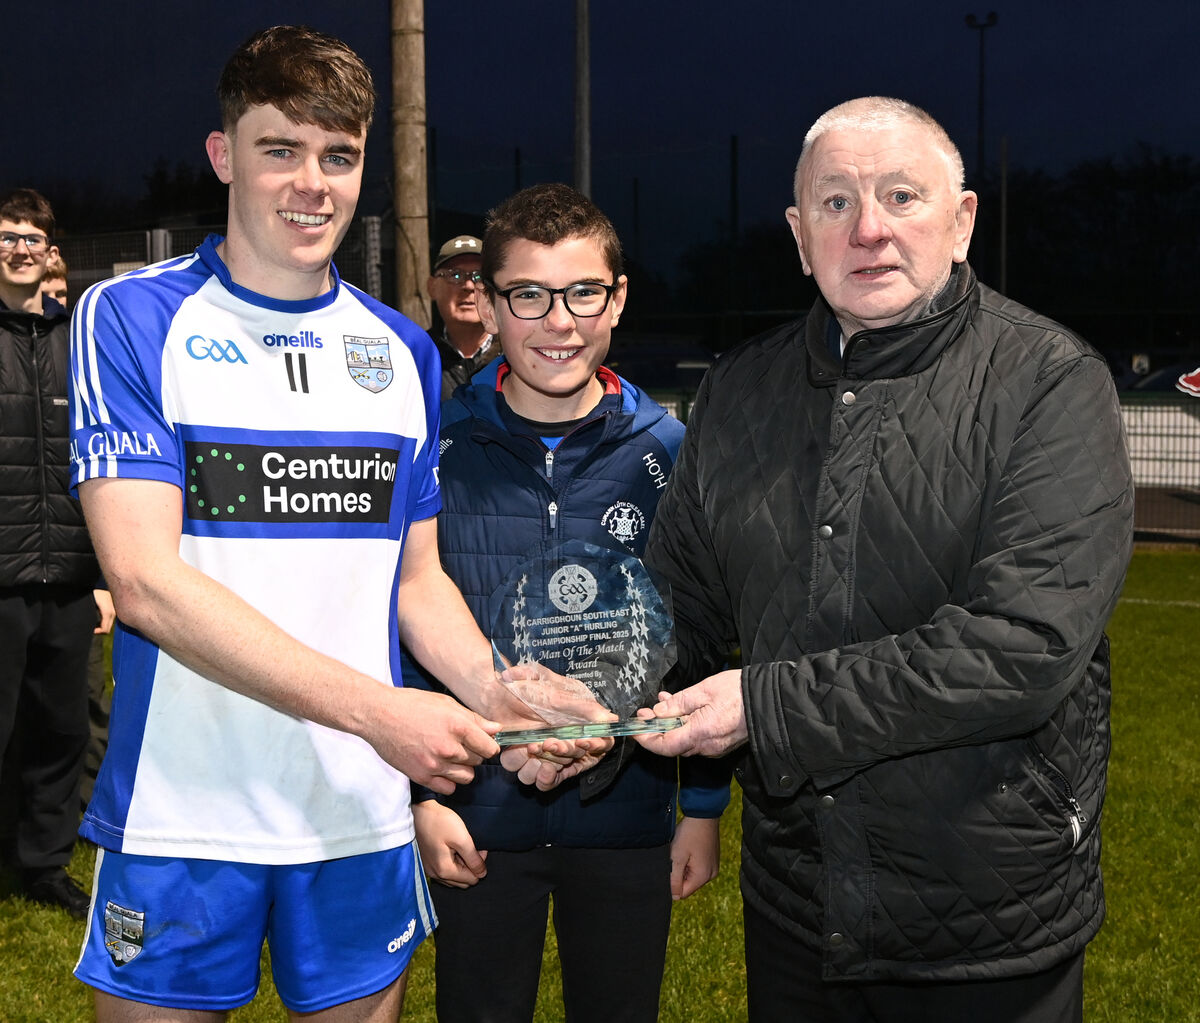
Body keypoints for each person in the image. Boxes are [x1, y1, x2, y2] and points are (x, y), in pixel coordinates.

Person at [68, 26, 606, 1021]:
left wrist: (500, 695)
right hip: (186, 818)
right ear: (225, 155)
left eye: (339, 155)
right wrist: (381, 714)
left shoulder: (400, 350)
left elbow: (416, 581)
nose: (312, 183)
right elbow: (142, 579)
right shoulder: (132, 319)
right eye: (281, 150)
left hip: (356, 817)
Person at [636, 97, 1135, 1022]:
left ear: (963, 218)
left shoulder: (1050, 383)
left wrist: (766, 703)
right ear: (798, 233)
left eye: (901, 195)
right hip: (798, 906)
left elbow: (1019, 649)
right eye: (835, 203)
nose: (868, 228)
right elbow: (683, 613)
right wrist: (587, 692)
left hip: (987, 920)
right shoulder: (742, 388)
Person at [410, 183, 729, 1023]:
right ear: (489, 301)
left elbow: (703, 634)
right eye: (530, 295)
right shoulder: (438, 446)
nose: (560, 321)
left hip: (627, 816)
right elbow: (399, 629)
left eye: (583, 291)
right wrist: (422, 797)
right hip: (476, 815)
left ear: (617, 298)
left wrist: (699, 806)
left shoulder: (669, 451)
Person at [0, 187, 112, 919]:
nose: (17, 247)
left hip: (70, 574)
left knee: (63, 730)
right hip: (3, 575)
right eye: (6, 236)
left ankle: (43, 864)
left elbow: (106, 463)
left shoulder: (79, 342)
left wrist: (104, 576)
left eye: (30, 237)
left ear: (50, 251)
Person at [426, 233, 500, 398]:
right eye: (455, 275)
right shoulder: (419, 355)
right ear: (432, 287)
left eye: (479, 276)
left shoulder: (516, 353)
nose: (468, 286)